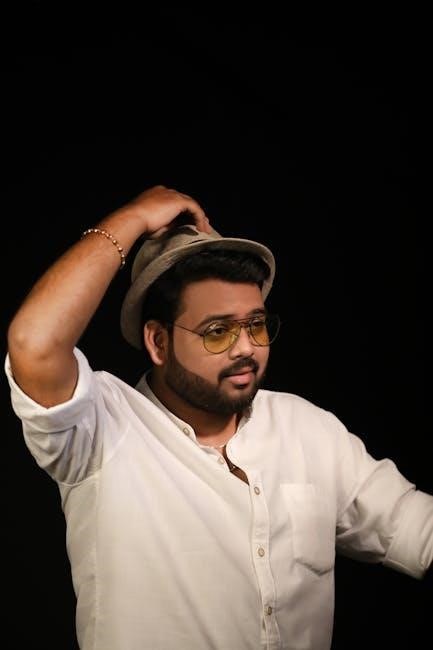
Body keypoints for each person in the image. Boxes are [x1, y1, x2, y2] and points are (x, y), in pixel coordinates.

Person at [5, 184, 432, 650]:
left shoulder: (308, 428)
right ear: (158, 342)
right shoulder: (101, 428)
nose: (247, 347)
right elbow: (34, 343)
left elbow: (416, 529)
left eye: (256, 324)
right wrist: (134, 217)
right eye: (217, 331)